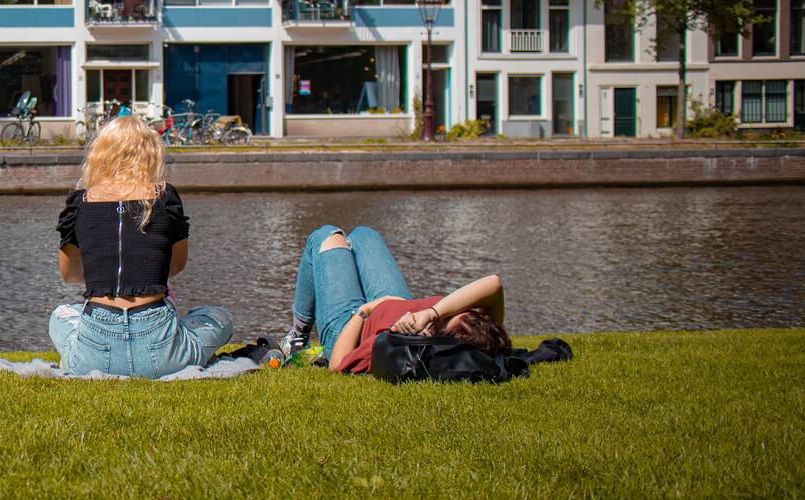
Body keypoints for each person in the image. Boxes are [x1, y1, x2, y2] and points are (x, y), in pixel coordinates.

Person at [49, 116, 233, 378]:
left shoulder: (79, 204)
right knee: (220, 317)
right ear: (151, 154)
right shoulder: (165, 197)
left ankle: (76, 356)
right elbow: (176, 266)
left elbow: (70, 275)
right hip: (161, 348)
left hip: (95, 353)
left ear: (100, 154)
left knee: (61, 315)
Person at [280, 225, 510, 373]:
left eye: (437, 324)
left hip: (351, 324)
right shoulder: (474, 330)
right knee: (364, 235)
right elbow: (493, 283)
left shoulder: (404, 342)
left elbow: (337, 364)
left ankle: (298, 336)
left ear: (434, 339)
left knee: (328, 236)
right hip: (394, 300)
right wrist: (432, 313)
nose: (441, 315)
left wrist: (365, 310)